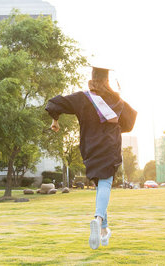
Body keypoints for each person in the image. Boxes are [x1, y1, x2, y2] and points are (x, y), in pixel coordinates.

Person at [45, 67, 137, 250]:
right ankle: (98, 218)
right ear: (107, 80)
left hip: (91, 148)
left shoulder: (83, 98)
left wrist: (55, 120)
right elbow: (129, 121)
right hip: (109, 148)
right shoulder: (117, 100)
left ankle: (103, 230)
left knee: (101, 185)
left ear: (92, 78)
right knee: (105, 183)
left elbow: (57, 102)